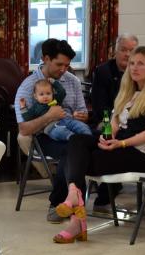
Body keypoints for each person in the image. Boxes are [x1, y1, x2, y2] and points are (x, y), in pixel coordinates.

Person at [56, 46, 145, 243]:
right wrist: (105, 137)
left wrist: (121, 143)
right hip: (118, 144)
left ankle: (76, 218)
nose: (134, 67)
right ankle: (74, 194)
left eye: (140, 63)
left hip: (138, 153)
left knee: (74, 160)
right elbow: (115, 123)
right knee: (76, 140)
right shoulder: (128, 92)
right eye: (132, 63)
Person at [14, 38, 89, 224]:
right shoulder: (28, 86)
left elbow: (83, 110)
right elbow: (24, 129)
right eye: (59, 64)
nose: (64, 69)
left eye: (67, 65)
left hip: (71, 127)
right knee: (71, 151)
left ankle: (82, 200)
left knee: (91, 143)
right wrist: (49, 116)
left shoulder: (72, 81)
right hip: (45, 135)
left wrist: (82, 115)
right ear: (46, 59)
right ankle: (58, 204)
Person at [19, 78, 92, 141]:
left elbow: (62, 92)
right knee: (59, 133)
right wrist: (23, 107)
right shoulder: (36, 107)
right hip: (51, 128)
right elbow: (27, 117)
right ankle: (74, 138)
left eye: (48, 93)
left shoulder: (55, 100)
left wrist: (54, 82)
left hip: (66, 120)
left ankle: (88, 137)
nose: (45, 97)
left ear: (52, 94)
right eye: (41, 94)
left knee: (79, 125)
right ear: (35, 96)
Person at [92, 33, 139, 120]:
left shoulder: (140, 72)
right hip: (108, 119)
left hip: (134, 119)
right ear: (115, 51)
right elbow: (100, 107)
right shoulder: (103, 72)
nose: (128, 54)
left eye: (132, 51)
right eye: (123, 50)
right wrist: (119, 120)